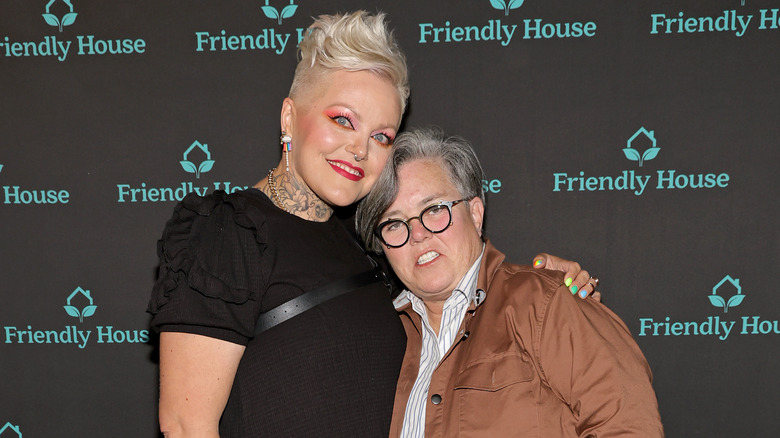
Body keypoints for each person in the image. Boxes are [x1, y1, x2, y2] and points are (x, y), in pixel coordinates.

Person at [148, 12, 597, 437]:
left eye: (380, 135)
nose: (359, 150)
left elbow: (456, 306)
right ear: (289, 117)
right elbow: (187, 426)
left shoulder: (367, 243)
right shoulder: (231, 232)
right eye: (342, 120)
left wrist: (550, 290)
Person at [356, 127, 664, 437]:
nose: (418, 233)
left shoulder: (546, 304)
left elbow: (629, 427)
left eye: (434, 209)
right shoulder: (380, 338)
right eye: (394, 223)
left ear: (476, 214)